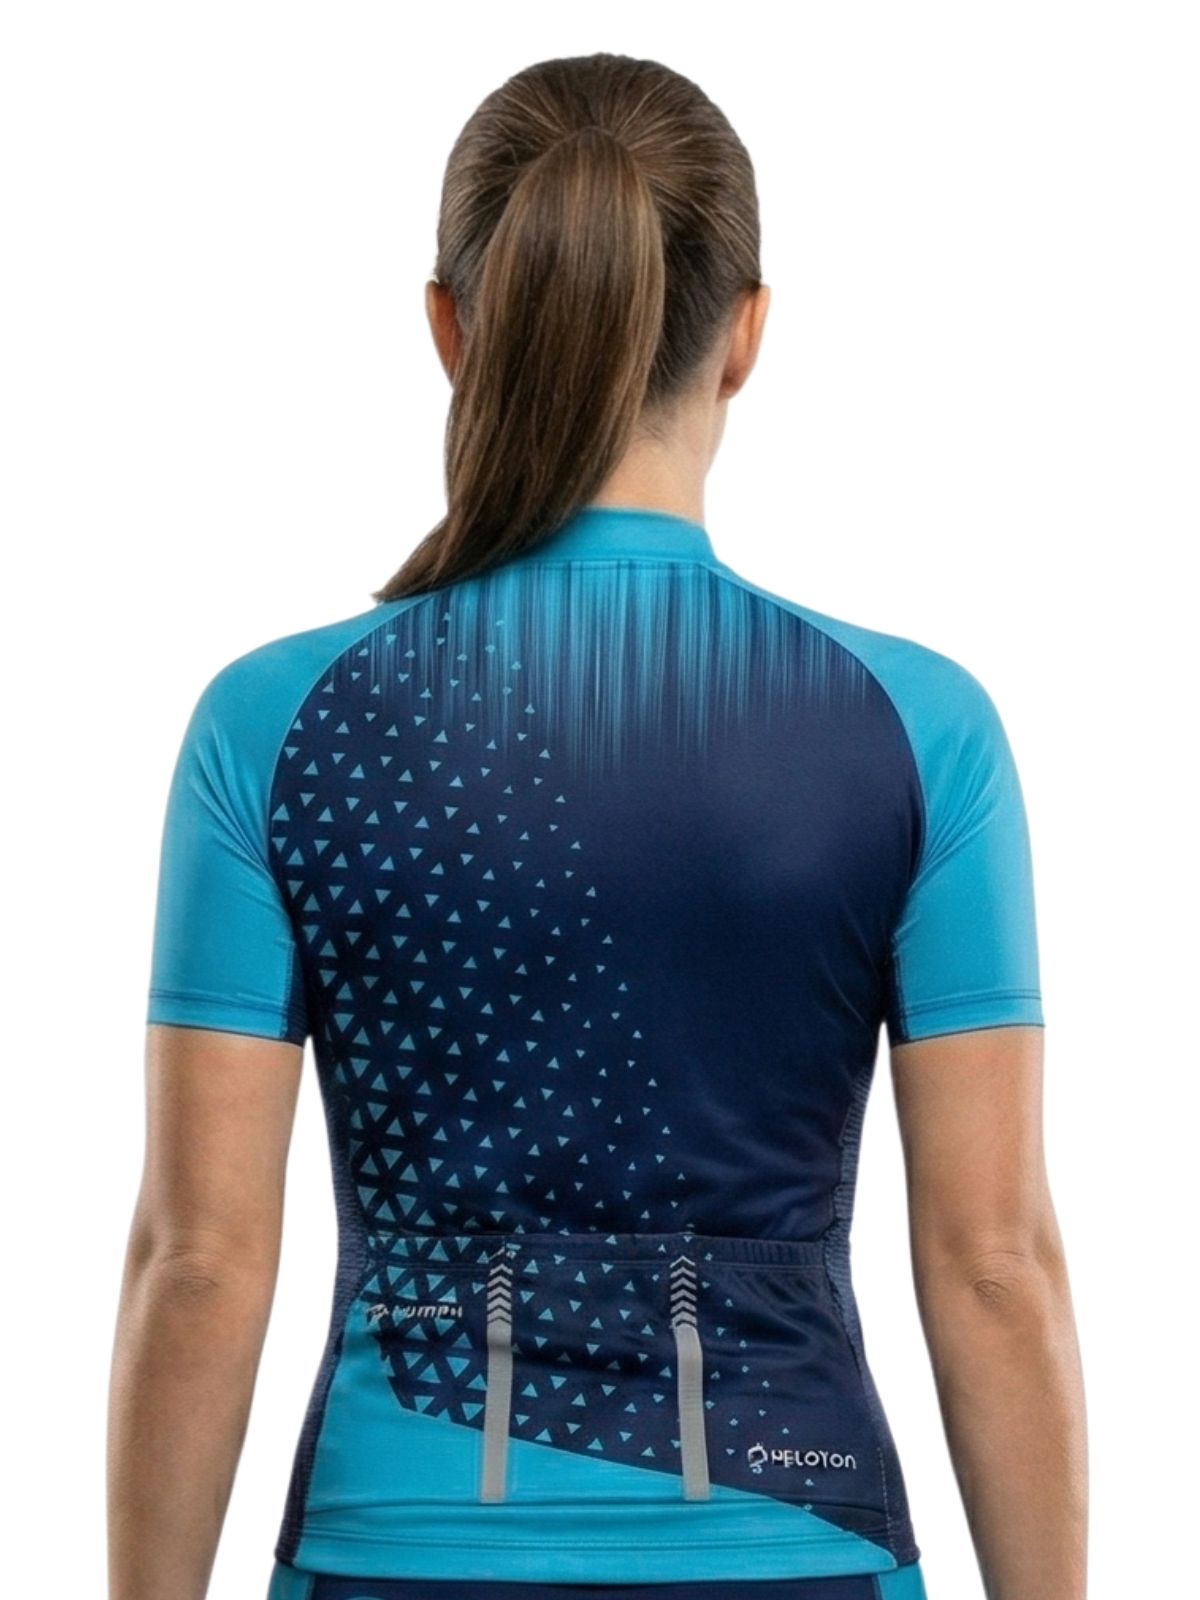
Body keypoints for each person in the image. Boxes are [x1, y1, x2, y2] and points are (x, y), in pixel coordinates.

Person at [108, 49, 1087, 1600]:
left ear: (449, 328)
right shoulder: (917, 729)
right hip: (796, 1544)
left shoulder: (276, 723)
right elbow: (992, 1265)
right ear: (747, 334)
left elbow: (201, 1262)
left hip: (399, 1553)